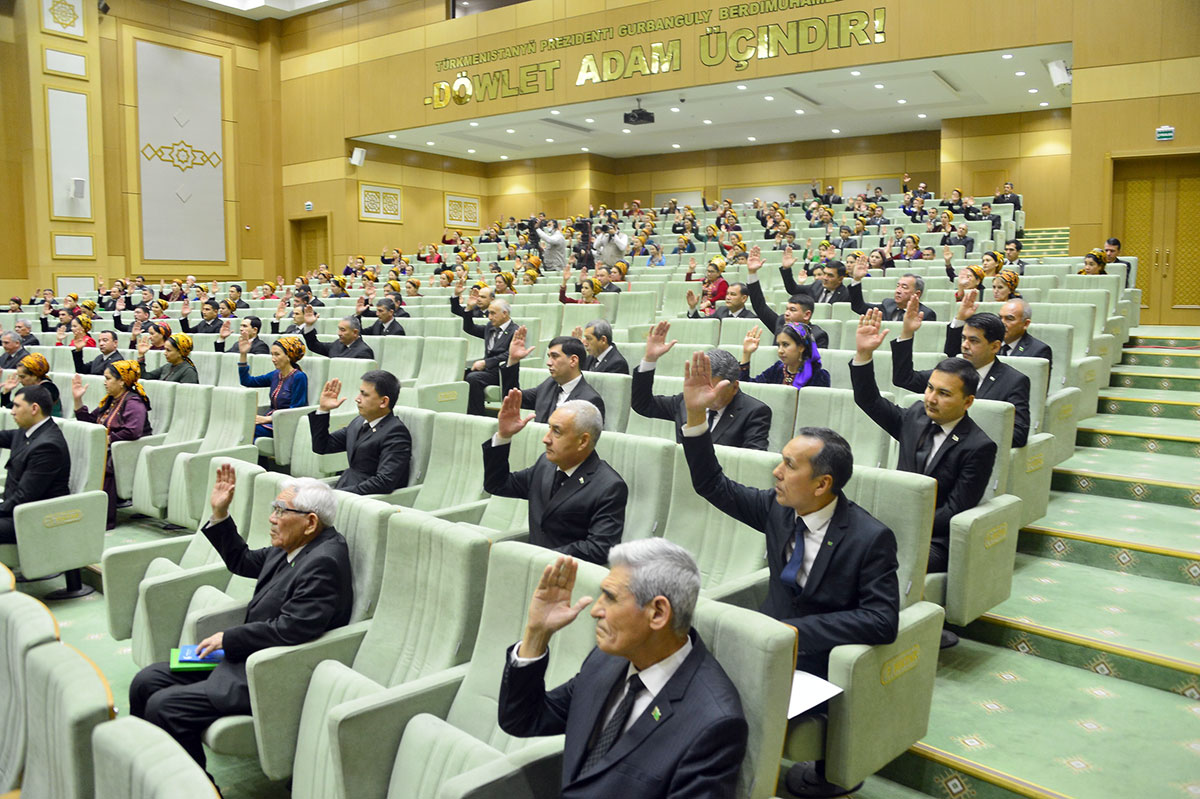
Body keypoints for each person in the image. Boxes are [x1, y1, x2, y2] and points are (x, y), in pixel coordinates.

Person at [678, 351, 897, 796]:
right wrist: (697, 419)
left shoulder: (869, 537)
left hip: (815, 661)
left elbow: (882, 620)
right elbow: (711, 484)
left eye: (790, 466)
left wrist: (793, 633)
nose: (776, 472)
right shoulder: (777, 510)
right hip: (762, 644)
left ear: (822, 484)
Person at [129, 465, 353, 787]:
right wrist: (220, 514)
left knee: (165, 707)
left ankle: (195, 790)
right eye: (274, 508)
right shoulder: (293, 544)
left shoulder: (324, 562)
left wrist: (228, 638)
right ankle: (147, 774)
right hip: (237, 655)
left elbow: (292, 629)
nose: (272, 518)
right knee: (145, 680)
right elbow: (243, 560)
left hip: (267, 670)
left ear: (310, 522)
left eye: (281, 511)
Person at [497, 542, 748, 798]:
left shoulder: (712, 722)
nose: (595, 610)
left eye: (610, 597)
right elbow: (524, 720)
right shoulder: (608, 659)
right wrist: (537, 634)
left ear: (658, 613)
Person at [851, 309, 997, 576]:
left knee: (872, 561)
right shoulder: (916, 416)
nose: (931, 398)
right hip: (890, 525)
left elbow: (954, 511)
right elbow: (869, 400)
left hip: (933, 540)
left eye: (944, 393)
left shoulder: (978, 446)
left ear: (967, 402)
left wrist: (902, 524)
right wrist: (863, 355)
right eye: (930, 388)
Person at [483, 390, 626, 563]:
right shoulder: (545, 464)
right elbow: (498, 484)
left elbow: (600, 548)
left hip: (567, 573)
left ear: (583, 441)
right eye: (549, 428)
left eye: (556, 431)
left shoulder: (609, 486)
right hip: (529, 567)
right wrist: (503, 436)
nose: (546, 439)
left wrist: (541, 557)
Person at [633, 321, 771, 450]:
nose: (706, 395)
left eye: (714, 389)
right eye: (703, 387)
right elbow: (643, 405)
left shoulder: (754, 412)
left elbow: (751, 460)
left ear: (734, 387)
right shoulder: (685, 401)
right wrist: (650, 360)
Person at [72, 362, 153, 528]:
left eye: (108, 378)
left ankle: (103, 518)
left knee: (103, 463)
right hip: (111, 447)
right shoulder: (111, 400)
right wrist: (78, 400)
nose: (105, 382)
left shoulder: (133, 402)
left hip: (129, 451)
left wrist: (107, 439)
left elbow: (133, 431)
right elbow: (90, 422)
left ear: (122, 381)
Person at [308, 372, 411, 495]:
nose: (357, 399)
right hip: (346, 488)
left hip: (363, 499)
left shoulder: (395, 433)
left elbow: (384, 483)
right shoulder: (359, 422)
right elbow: (322, 446)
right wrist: (324, 410)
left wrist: (336, 494)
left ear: (383, 401)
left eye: (364, 394)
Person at [0, 384, 72, 546]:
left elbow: (24, 497)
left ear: (34, 409)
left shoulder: (48, 446)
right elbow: (3, 437)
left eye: (17, 406)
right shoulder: (29, 430)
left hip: (34, 518)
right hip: (16, 510)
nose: (12, 411)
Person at [501, 327, 606, 423]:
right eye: (549, 356)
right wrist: (513, 360)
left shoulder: (590, 401)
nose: (548, 363)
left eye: (555, 356)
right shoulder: (549, 384)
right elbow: (512, 399)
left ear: (573, 361)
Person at [459, 288, 516, 416]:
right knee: (460, 374)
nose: (489, 317)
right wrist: (468, 309)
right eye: (489, 313)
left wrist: (486, 363)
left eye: (493, 313)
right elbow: (469, 328)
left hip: (502, 372)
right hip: (487, 371)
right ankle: (463, 412)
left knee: (473, 378)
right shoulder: (491, 327)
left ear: (505, 313)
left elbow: (510, 354)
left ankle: (476, 415)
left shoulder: (515, 331)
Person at [239, 336, 309, 438]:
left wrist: (267, 419)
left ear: (289, 356)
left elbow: (295, 409)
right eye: (272, 354)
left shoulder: (299, 377)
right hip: (270, 421)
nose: (273, 359)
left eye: (277, 354)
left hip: (284, 424)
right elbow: (247, 381)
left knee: (248, 429)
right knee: (241, 425)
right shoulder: (275, 374)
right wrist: (243, 354)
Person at [739, 323, 829, 389]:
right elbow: (748, 389)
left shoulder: (819, 376)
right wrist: (746, 354)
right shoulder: (777, 369)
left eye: (785, 345)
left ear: (801, 347)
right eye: (779, 345)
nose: (780, 350)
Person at [847, 259, 938, 322]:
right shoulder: (888, 304)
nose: (898, 290)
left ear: (917, 294)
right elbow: (858, 307)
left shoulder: (925, 314)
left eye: (904, 287)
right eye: (898, 286)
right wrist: (856, 279)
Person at [997, 298, 1053, 372]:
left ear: (1026, 324)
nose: (1001, 323)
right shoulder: (990, 344)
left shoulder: (1039, 351)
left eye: (1009, 319)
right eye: (1000, 318)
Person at [300, 308, 375, 359]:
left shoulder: (364, 352)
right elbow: (314, 345)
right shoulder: (337, 344)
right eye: (339, 329)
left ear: (355, 332)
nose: (339, 333)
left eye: (343, 330)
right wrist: (309, 325)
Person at [687, 281, 755, 319]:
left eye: (733, 294)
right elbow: (701, 322)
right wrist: (692, 307)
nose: (728, 297)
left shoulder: (750, 318)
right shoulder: (721, 311)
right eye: (727, 294)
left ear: (744, 298)